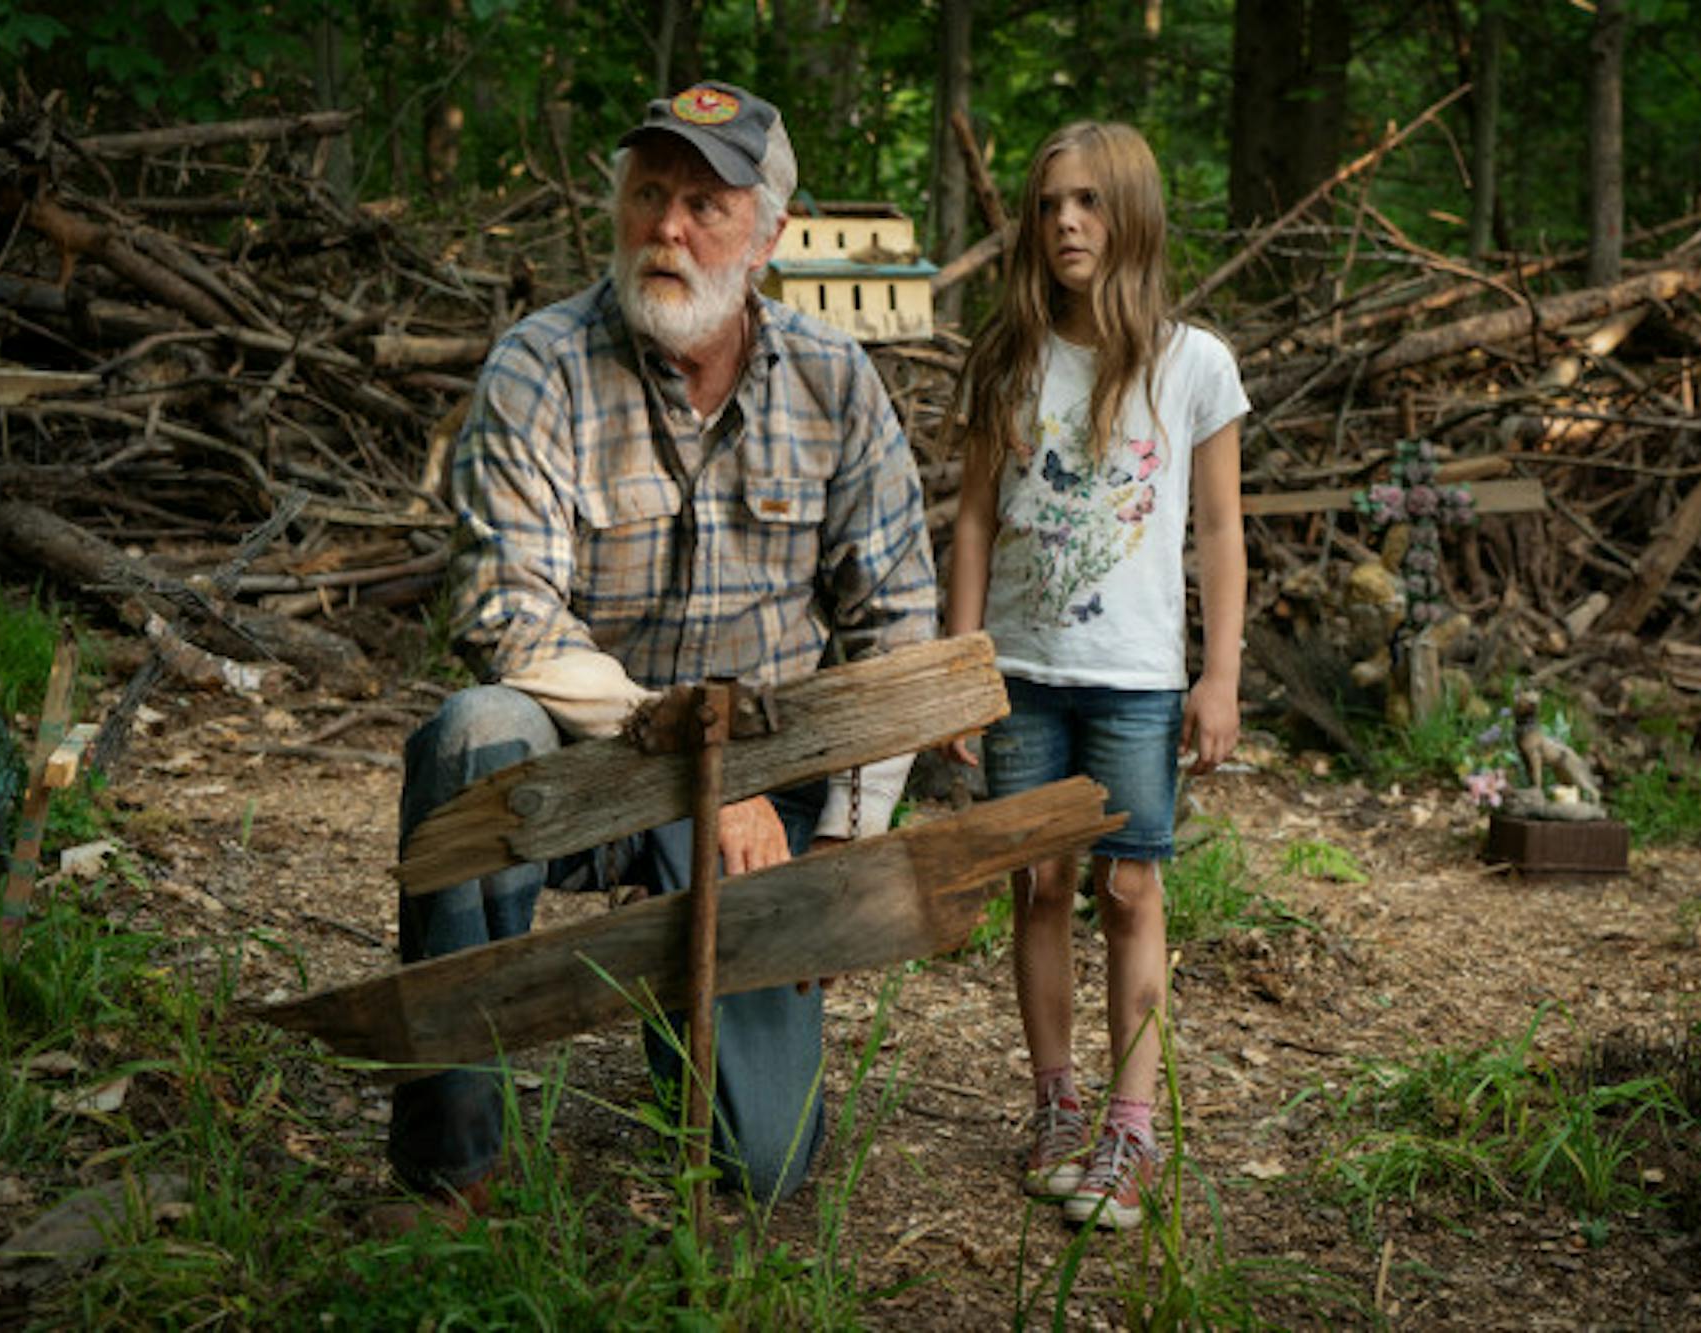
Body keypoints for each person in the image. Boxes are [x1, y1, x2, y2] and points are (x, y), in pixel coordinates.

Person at [386, 80, 936, 1222]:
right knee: (472, 732)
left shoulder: (836, 385)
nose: (667, 229)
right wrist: (690, 756)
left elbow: (896, 627)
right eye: (648, 195)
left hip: (757, 801)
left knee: (766, 1165)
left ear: (769, 236)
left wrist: (841, 841)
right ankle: (451, 1162)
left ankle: (692, 1029)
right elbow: (508, 615)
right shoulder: (539, 368)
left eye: (704, 204)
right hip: (583, 766)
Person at [945, 121, 1248, 1231]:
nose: (1065, 222)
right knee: (1040, 884)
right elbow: (973, 518)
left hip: (1133, 679)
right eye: (1046, 204)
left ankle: (1131, 1124)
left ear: (1131, 214)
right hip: (1020, 672)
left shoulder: (1192, 363)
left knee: (1129, 889)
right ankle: (1055, 1103)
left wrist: (1216, 677)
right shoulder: (1009, 357)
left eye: (1087, 201)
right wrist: (962, 666)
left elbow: (1217, 528)